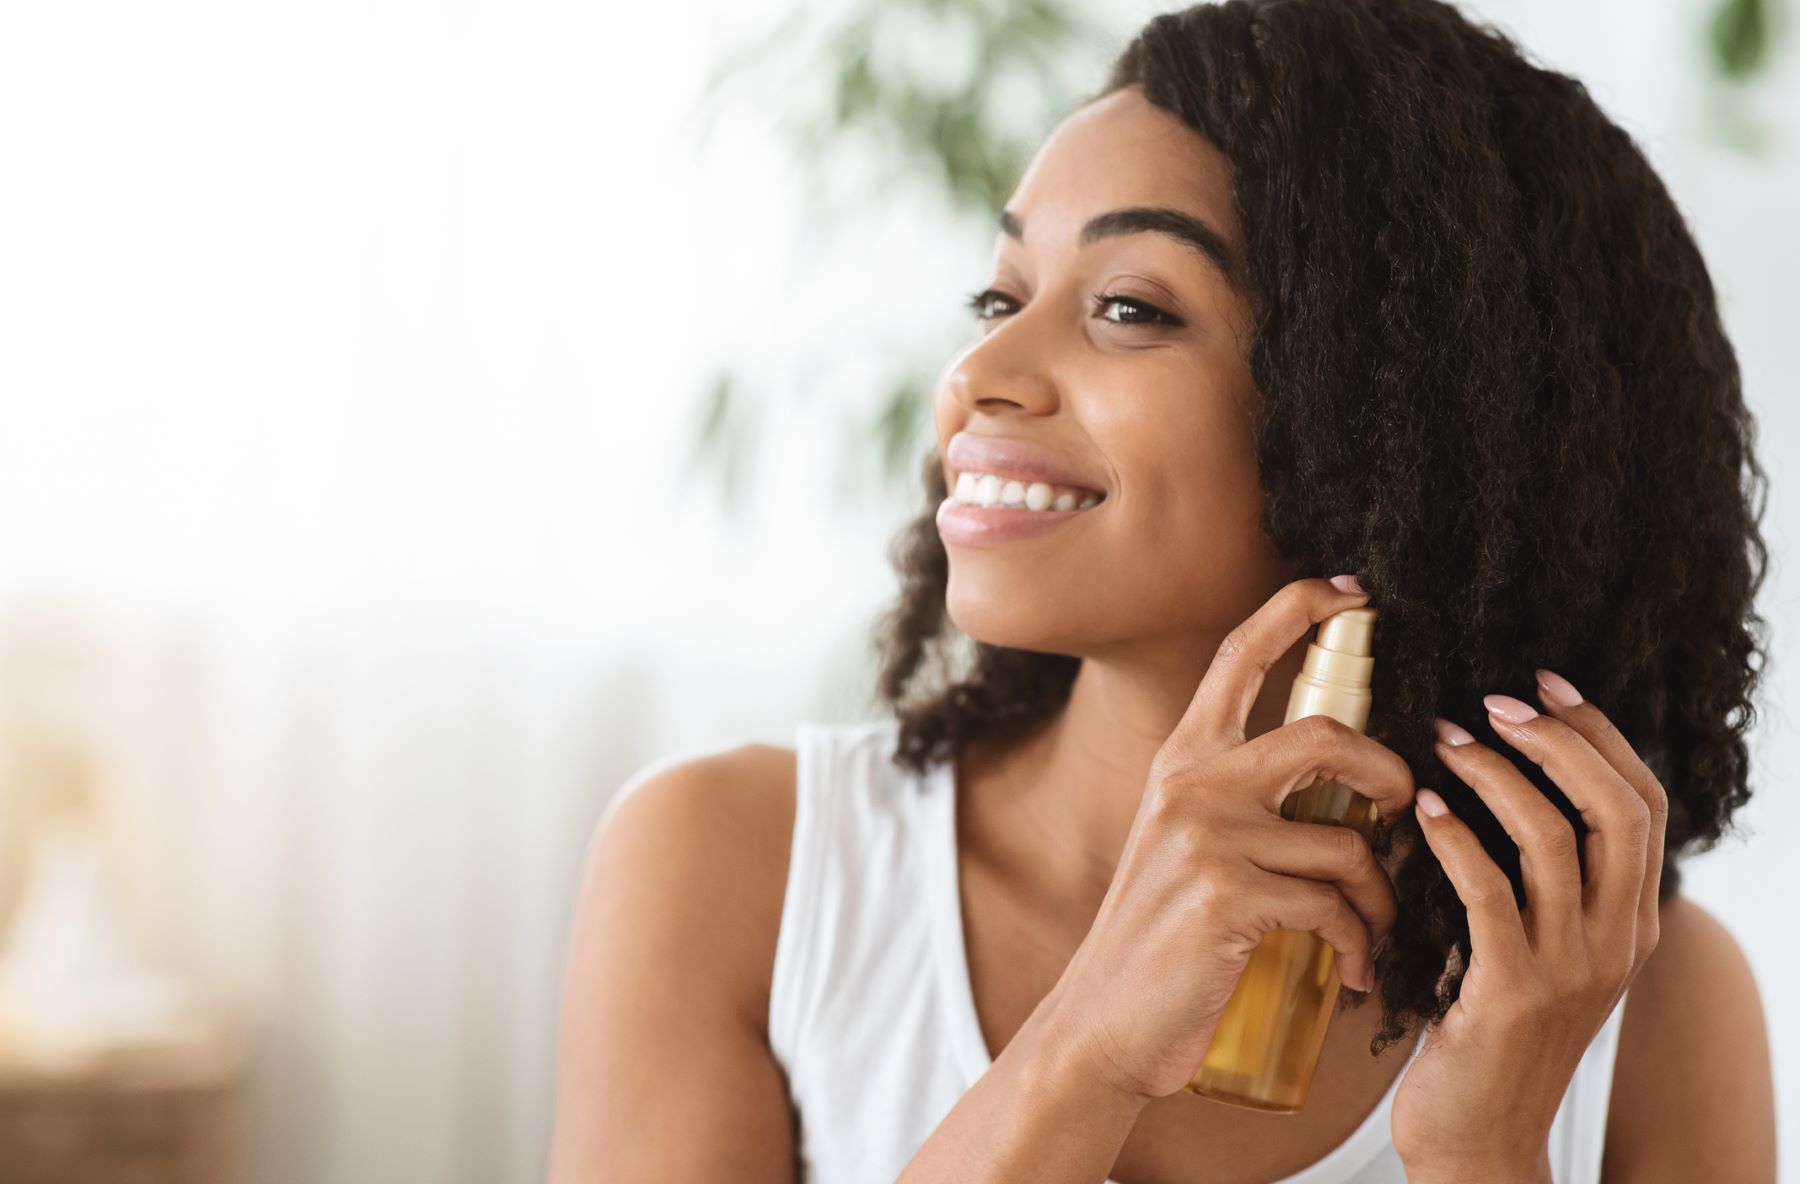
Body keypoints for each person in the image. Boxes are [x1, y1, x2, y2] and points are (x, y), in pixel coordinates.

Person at [545, 1, 1778, 1180]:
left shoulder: (1641, 1008)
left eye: (1128, 307)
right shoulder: (737, 865)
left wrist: (1483, 1157)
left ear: (1400, 420)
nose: (982, 371)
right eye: (1002, 296)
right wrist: (1087, 1050)